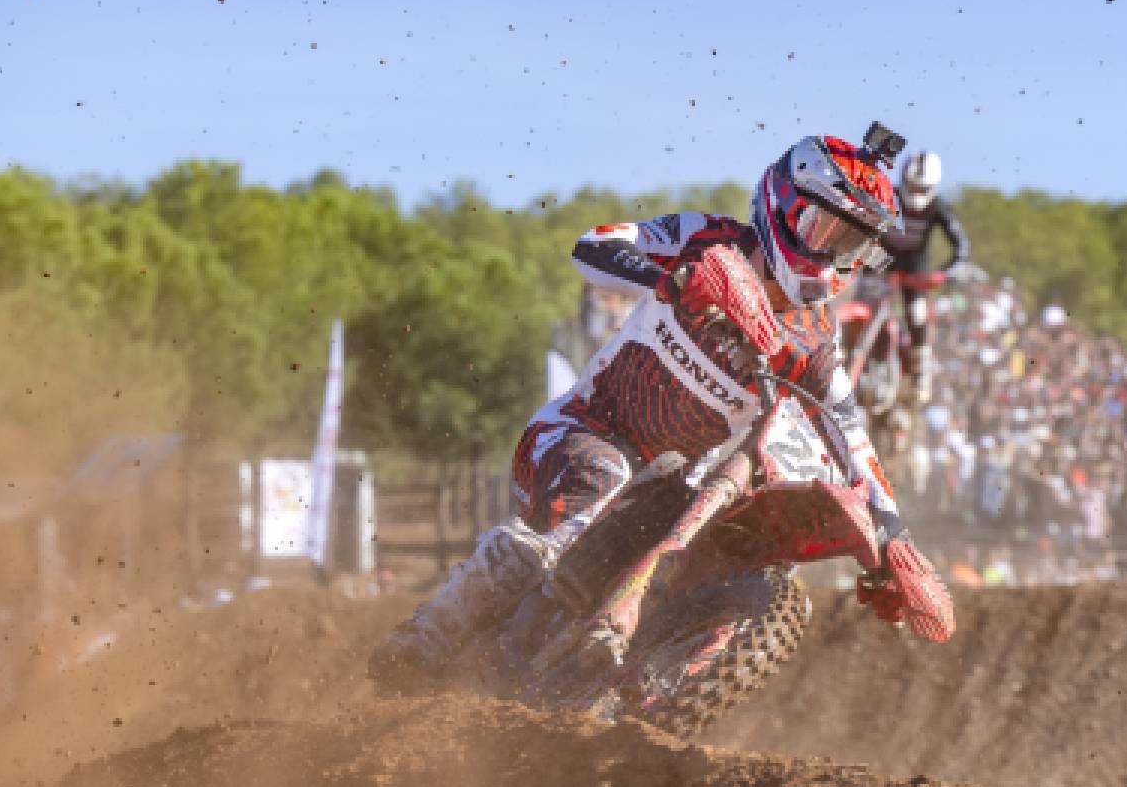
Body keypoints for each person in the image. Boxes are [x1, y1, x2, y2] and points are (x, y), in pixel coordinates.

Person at [372, 129, 954, 674]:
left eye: (850, 243)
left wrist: (899, 546)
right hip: (582, 432)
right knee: (601, 480)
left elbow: (853, 440)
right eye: (822, 229)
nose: (830, 254)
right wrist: (674, 279)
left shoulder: (814, 340)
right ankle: (431, 631)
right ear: (782, 205)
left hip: (674, 487)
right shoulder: (707, 238)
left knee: (724, 544)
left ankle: (637, 681)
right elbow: (593, 246)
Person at [880, 149, 970, 405]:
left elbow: (962, 248)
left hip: (915, 272)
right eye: (912, 187)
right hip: (878, 262)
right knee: (857, 297)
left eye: (922, 189)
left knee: (917, 314)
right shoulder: (885, 195)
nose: (916, 194)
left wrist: (942, 274)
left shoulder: (938, 207)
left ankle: (920, 376)